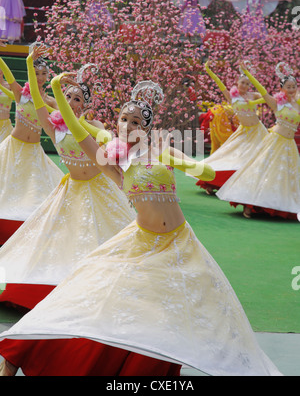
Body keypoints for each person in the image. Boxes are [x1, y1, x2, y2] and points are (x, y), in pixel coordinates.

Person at [0, 78, 281, 376]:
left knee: (205, 307)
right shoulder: (111, 161)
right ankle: (17, 355)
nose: (128, 125)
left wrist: (174, 156)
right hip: (139, 243)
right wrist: (56, 86)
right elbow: (76, 126)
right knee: (83, 295)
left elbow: (207, 171)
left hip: (179, 243)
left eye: (136, 121)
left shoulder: (159, 152)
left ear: (146, 128)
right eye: (124, 119)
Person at [0, 45, 135, 310]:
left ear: (86, 107)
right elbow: (39, 102)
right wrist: (29, 62)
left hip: (98, 190)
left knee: (96, 242)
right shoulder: (52, 125)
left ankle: (90, 294)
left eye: (77, 100)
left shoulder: (94, 127)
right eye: (69, 97)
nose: (71, 102)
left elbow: (108, 141)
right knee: (59, 240)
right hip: (71, 189)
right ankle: (43, 291)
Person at [217, 61, 300, 220]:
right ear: (281, 89)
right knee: (261, 171)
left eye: (293, 86)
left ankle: (280, 207)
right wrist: (248, 74)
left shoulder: (298, 104)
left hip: (289, 145)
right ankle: (249, 205)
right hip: (275, 141)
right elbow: (261, 89)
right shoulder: (276, 103)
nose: (291, 89)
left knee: (285, 176)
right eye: (288, 86)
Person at [0, 51, 62, 243]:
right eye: (36, 73)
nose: (40, 77)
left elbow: (66, 115)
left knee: (35, 195)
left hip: (34, 151)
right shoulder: (19, 93)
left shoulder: (50, 101)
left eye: (44, 73)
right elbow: (7, 72)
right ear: (30, 74)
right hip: (13, 147)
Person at [196, 60, 268, 196]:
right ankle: (212, 182)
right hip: (244, 131)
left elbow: (268, 98)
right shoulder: (232, 97)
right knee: (230, 157)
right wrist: (209, 70)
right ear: (237, 83)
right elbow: (220, 85)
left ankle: (255, 187)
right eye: (243, 83)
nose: (245, 86)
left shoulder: (253, 95)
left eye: (248, 84)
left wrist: (254, 102)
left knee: (260, 157)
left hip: (258, 130)